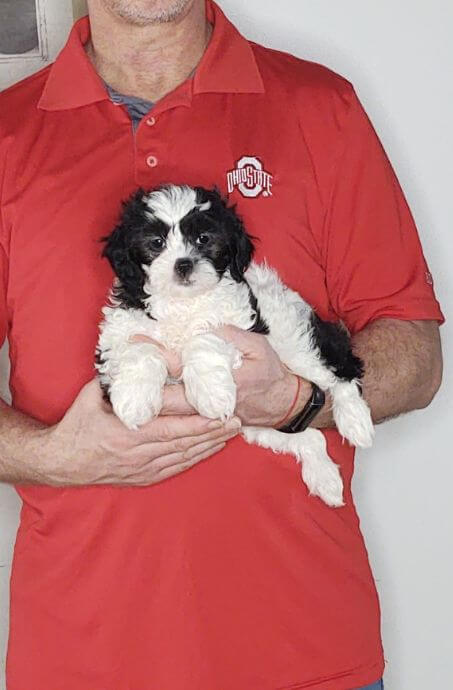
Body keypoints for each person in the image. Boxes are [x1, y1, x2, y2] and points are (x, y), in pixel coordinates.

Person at [0, 1, 443, 688]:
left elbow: (414, 357)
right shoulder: (6, 132)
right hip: (79, 656)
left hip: (306, 651)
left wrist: (299, 400)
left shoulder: (319, 107)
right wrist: (51, 456)